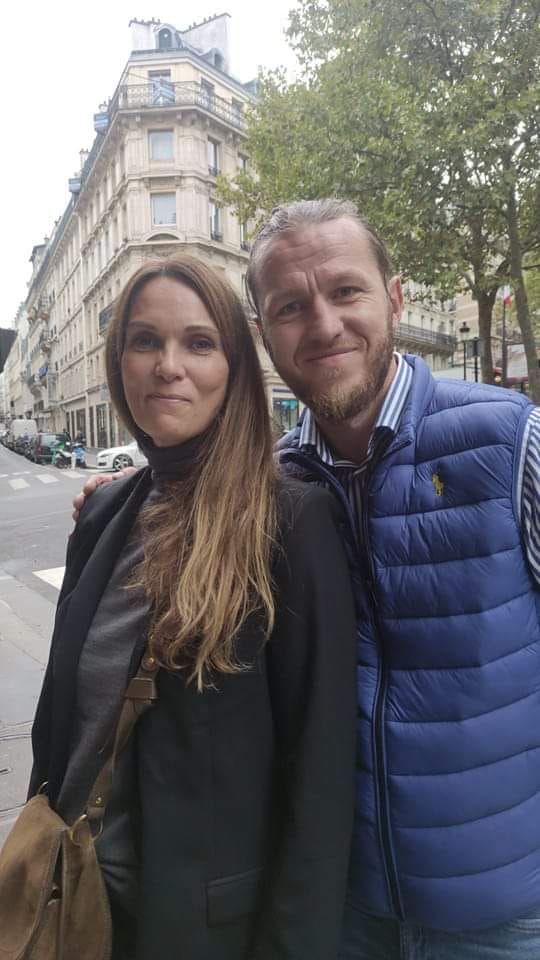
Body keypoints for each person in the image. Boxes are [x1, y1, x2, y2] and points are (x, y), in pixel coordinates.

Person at [76, 199, 540, 959]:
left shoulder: (509, 438)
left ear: (394, 299)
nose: (323, 325)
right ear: (263, 334)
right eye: (291, 306)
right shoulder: (274, 486)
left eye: (346, 291)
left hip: (500, 917)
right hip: (350, 909)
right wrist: (122, 502)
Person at [33, 254, 357, 959]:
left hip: (203, 930)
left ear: (234, 369)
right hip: (76, 903)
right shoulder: (105, 512)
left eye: (199, 343)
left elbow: (321, 779)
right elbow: (65, 721)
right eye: (144, 340)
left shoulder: (289, 522)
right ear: (119, 361)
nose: (167, 366)